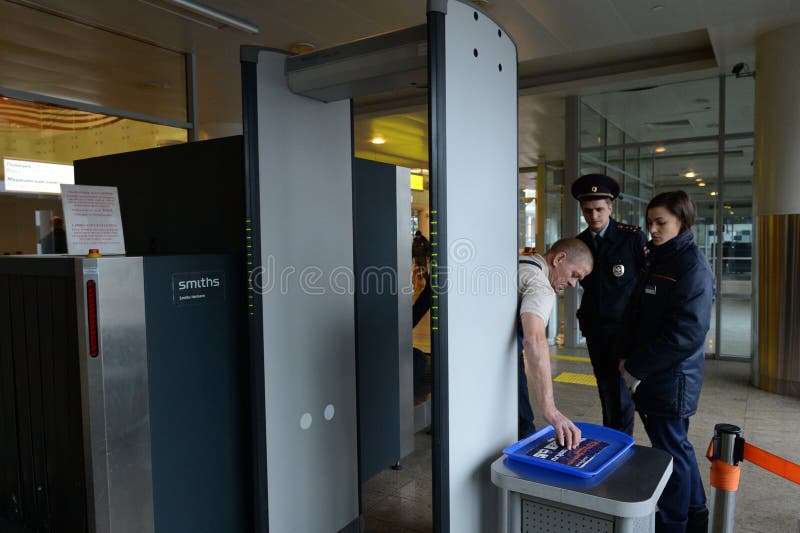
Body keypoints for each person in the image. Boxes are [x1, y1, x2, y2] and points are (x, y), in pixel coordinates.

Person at [618, 190, 714, 533]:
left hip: (671, 379)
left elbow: (685, 334)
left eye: (661, 223)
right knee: (677, 448)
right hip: (657, 376)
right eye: (649, 223)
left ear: (682, 222)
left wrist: (635, 367)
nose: (653, 230)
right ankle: (694, 514)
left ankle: (675, 522)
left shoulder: (692, 267)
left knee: (671, 452)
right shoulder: (660, 258)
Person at [572, 174, 645, 436]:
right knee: (605, 387)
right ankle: (611, 438)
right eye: (588, 210)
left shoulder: (631, 238)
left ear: (610, 208)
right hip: (596, 328)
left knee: (624, 389)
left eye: (599, 209)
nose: (594, 215)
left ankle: (622, 442)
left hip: (625, 330)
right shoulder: (579, 243)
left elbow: (645, 280)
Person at [518, 238, 593, 448]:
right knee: (523, 430)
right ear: (559, 259)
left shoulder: (519, 262)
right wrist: (551, 410)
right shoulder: (541, 285)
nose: (572, 284)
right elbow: (534, 340)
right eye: (574, 275)